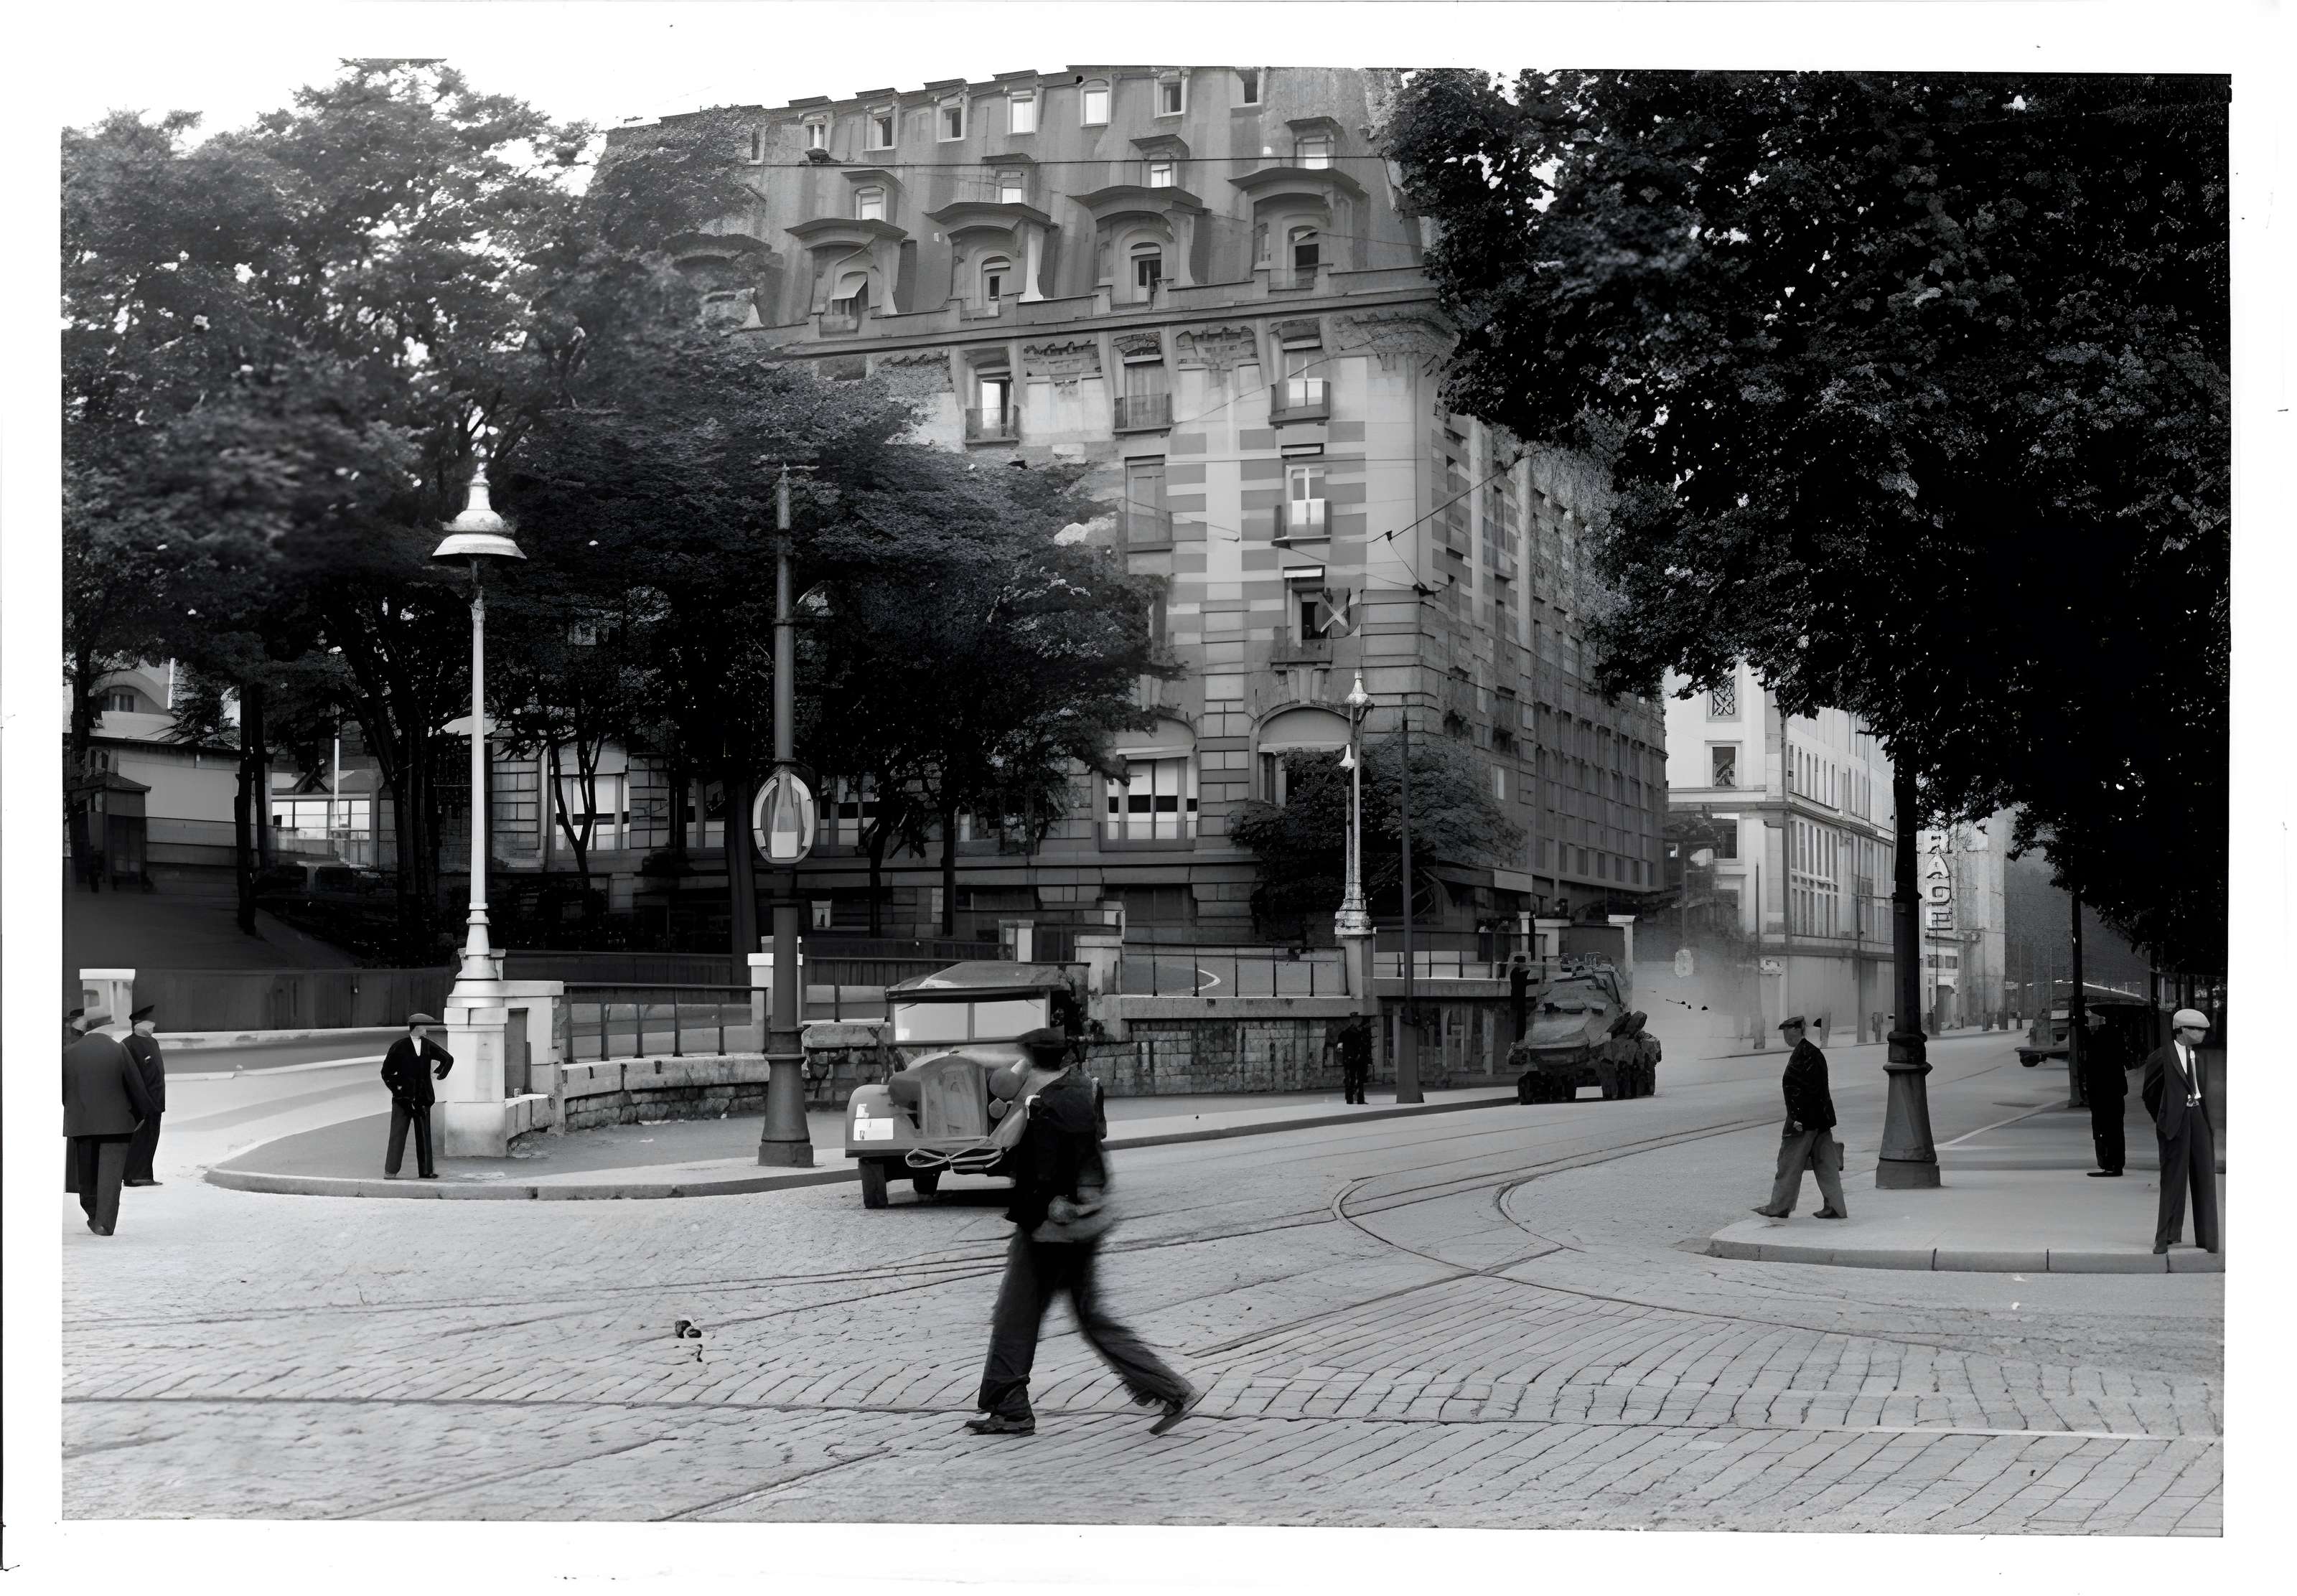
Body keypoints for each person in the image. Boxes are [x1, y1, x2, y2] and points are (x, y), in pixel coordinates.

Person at [968, 1027, 1195, 1438]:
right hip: (1076, 1228)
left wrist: (1056, 1202)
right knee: (1092, 1319)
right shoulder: (1074, 1090)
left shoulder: (1054, 1104)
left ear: (1029, 1061)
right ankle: (1170, 1389)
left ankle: (1011, 1408)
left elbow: (1048, 1168)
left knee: (1014, 1316)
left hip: (1051, 1230)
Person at [64, 1008, 156, 1236]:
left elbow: (62, 1090)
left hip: (82, 1123)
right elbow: (136, 1086)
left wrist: (75, 1109)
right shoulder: (119, 1050)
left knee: (87, 1173)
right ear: (107, 1027)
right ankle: (105, 1222)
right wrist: (141, 1115)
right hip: (118, 1124)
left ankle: (92, 1212)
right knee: (110, 1177)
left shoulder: (68, 1052)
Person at [1751, 1015, 1848, 1220]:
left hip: (1804, 1123)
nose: (1785, 1036)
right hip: (1820, 1121)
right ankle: (1835, 1207)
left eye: (1788, 1031)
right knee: (1826, 1165)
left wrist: (1797, 1119)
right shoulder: (1811, 1053)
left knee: (1788, 1164)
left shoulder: (1805, 1054)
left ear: (1798, 1030)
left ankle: (1778, 1207)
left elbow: (1804, 1091)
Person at [2140, 1008, 2219, 1254]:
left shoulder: (2199, 1057)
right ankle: (2165, 1236)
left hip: (2199, 1119)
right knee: (2173, 1179)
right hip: (2175, 1121)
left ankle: (2208, 1239)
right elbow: (2149, 1093)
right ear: (2183, 1030)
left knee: (2205, 1176)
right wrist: (2164, 1117)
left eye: (2204, 1029)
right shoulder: (2162, 1056)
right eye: (2197, 1029)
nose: (2203, 1034)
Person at [380, 1013, 454, 1179]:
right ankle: (390, 1171)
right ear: (416, 1027)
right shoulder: (399, 1046)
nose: (426, 1030)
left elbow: (448, 1059)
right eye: (424, 1026)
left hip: (423, 1097)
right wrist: (397, 1089)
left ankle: (426, 1171)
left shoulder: (428, 1045)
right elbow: (386, 1072)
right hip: (402, 1099)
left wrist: (439, 1074)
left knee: (424, 1136)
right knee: (398, 1134)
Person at [122, 1005, 168, 1186]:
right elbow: (129, 1077)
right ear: (138, 1024)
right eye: (150, 1023)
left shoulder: (152, 1042)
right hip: (141, 1103)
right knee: (139, 1140)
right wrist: (140, 1101)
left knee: (151, 1139)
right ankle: (134, 1176)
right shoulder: (128, 1045)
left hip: (156, 1103)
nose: (153, 1026)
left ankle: (145, 1175)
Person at [2082, 1011, 2130, 1178]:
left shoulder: (2102, 1039)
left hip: (2104, 1091)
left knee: (2106, 1127)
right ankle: (2114, 1163)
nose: (2090, 1023)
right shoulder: (2115, 1036)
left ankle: (2110, 1163)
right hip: (2113, 1090)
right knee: (2114, 1127)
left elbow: (2094, 1065)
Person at [1334, 1014, 1372, 1105]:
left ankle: (1355, 1099)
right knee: (1353, 1079)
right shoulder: (1347, 1034)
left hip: (1356, 1060)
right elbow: (1341, 1048)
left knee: (1357, 1079)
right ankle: (1353, 1099)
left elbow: (1340, 1048)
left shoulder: (1357, 1034)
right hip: (1352, 1060)